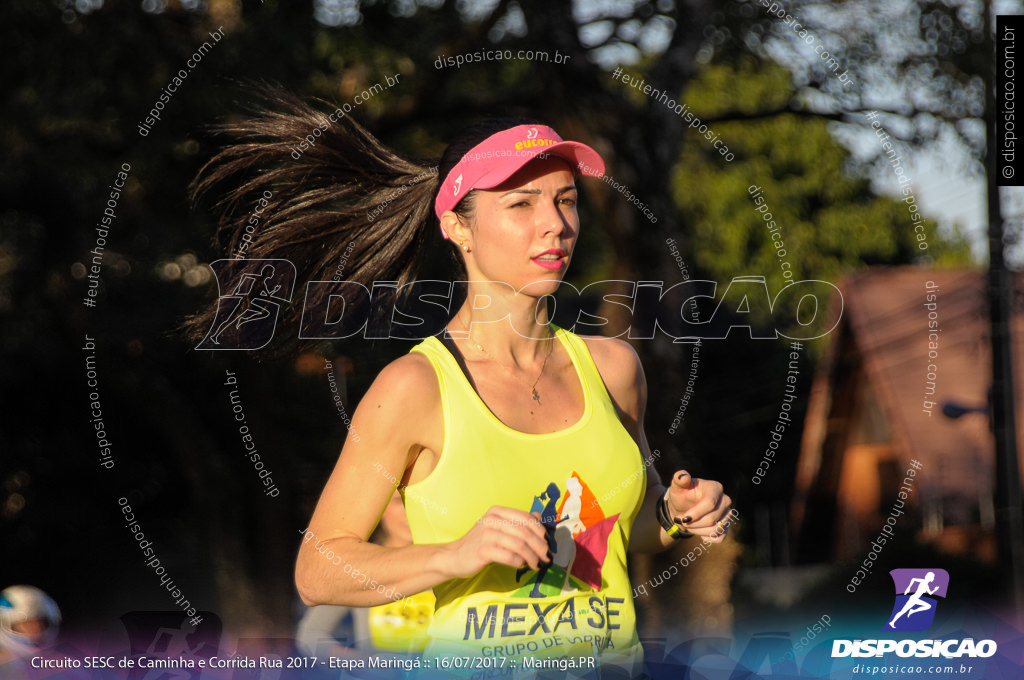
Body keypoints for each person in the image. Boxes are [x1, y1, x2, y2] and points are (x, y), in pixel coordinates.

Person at [189, 92, 733, 676]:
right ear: (457, 227)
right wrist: (454, 555)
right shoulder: (415, 387)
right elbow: (318, 571)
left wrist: (677, 514)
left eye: (566, 200)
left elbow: (631, 527)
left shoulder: (614, 369)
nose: (555, 223)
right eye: (521, 204)